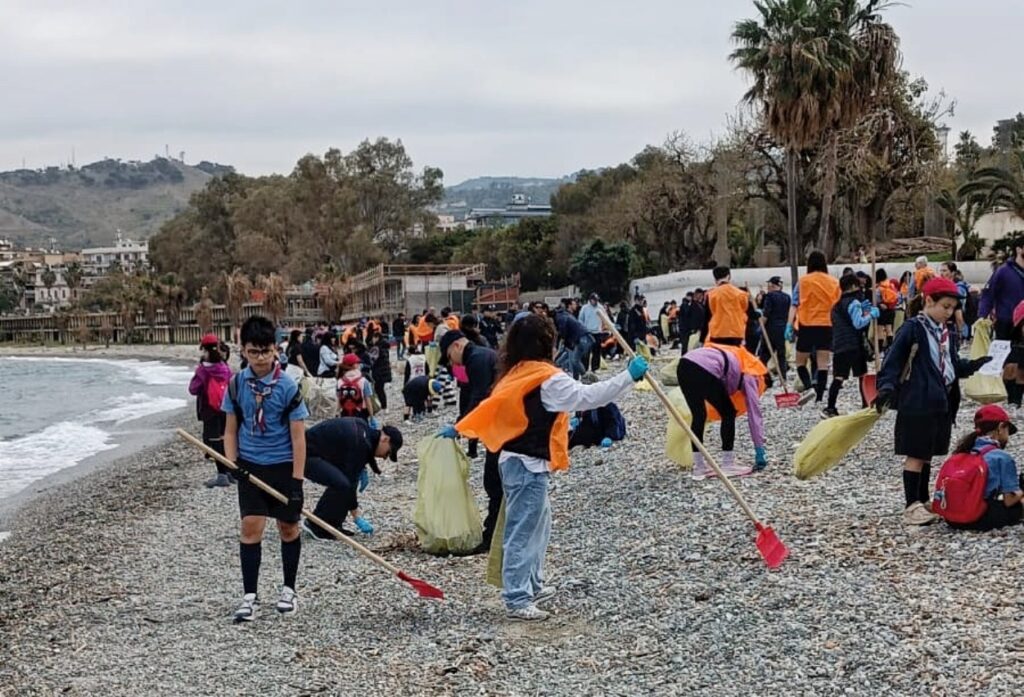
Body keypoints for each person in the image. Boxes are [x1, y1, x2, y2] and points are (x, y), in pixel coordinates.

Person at [452, 313, 648, 621]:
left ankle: (532, 584)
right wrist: (628, 376)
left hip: (515, 461)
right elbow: (587, 397)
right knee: (523, 529)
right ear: (547, 343)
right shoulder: (545, 378)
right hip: (526, 464)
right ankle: (517, 598)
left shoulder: (516, 372)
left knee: (538, 525)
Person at [874, 278, 992, 526]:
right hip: (918, 400)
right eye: (945, 306)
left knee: (927, 454)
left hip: (941, 400)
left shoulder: (945, 333)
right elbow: (892, 362)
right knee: (915, 453)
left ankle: (923, 499)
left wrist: (973, 365)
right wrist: (885, 387)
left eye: (952, 308)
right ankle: (911, 504)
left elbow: (951, 364)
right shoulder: (913, 328)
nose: (949, 312)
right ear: (929, 301)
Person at [221, 315, 309, 622]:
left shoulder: (287, 386)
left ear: (276, 350)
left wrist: (297, 483)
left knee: (288, 528)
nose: (259, 358)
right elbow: (230, 430)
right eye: (253, 351)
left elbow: (299, 438)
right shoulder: (235, 385)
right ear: (242, 350)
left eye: (265, 351)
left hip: (284, 467)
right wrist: (233, 463)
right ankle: (250, 596)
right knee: (251, 527)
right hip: (250, 467)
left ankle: (288, 589)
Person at [439, 328, 502, 552]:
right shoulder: (481, 356)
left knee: (494, 482)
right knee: (496, 481)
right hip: (501, 427)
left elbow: (479, 398)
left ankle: (493, 536)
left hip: (503, 429)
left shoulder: (477, 359)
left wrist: (459, 428)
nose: (452, 363)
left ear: (456, 345)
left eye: (448, 356)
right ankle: (498, 532)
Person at [301, 418, 403, 540]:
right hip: (303, 456)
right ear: (385, 439)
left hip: (321, 454)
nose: (385, 457)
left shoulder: (363, 430)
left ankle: (332, 525)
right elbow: (349, 483)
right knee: (343, 485)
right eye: (388, 452)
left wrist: (365, 468)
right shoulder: (360, 441)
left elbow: (367, 454)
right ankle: (316, 525)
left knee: (348, 482)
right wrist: (357, 517)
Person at [677, 344, 767, 479]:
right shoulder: (751, 376)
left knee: (699, 415)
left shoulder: (740, 359)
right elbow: (754, 413)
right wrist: (759, 449)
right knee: (729, 412)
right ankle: (728, 464)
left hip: (684, 364)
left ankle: (699, 467)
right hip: (704, 368)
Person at [943, 405, 1023, 531]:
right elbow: (1009, 500)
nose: (1008, 437)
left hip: (951, 518)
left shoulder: (963, 451)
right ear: (1001, 427)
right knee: (1017, 506)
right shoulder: (1002, 457)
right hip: (977, 518)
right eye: (1008, 431)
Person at [787, 250, 841, 403]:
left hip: (807, 325)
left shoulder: (803, 281)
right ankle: (819, 397)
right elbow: (838, 305)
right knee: (823, 363)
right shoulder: (833, 282)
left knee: (800, 362)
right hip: (827, 325)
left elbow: (794, 304)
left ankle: (809, 386)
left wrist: (789, 325)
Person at [823, 274, 878, 418]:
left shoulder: (836, 306)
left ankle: (830, 407)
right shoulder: (853, 302)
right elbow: (858, 323)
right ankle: (866, 403)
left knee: (839, 377)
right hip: (854, 344)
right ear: (853, 286)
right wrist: (871, 315)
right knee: (862, 375)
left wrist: (864, 311)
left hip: (839, 345)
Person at [979, 241, 1024, 407]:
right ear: (1019, 249)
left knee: (1023, 365)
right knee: (1010, 362)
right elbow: (988, 294)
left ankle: (1017, 399)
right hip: (1006, 321)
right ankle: (1010, 398)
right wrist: (982, 315)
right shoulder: (1004, 271)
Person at [188, 334, 234, 488]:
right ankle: (229, 471)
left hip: (210, 409)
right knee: (224, 438)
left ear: (204, 349)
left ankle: (221, 475)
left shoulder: (204, 369)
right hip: (226, 408)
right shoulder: (224, 367)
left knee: (212, 441)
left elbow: (193, 389)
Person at [705, 266, 753, 346]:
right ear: (729, 276)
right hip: (736, 331)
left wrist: (702, 337)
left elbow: (708, 315)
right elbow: (747, 311)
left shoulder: (711, 294)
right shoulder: (741, 294)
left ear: (715, 278)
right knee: (733, 356)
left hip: (717, 332)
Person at [758, 277, 791, 381]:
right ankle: (783, 377)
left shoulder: (770, 296)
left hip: (770, 329)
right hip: (782, 328)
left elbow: (766, 313)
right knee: (781, 354)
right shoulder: (787, 297)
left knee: (764, 354)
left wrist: (761, 325)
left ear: (772, 285)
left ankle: (763, 376)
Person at [553, 300, 592, 380]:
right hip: (582, 338)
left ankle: (585, 377)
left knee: (574, 360)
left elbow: (563, 331)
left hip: (581, 338)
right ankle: (575, 378)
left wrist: (563, 339)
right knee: (570, 359)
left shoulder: (560, 317)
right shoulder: (564, 315)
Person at [336, 353, 375, 420]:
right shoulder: (363, 381)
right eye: (357, 363)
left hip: (345, 413)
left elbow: (338, 399)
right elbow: (368, 401)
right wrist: (372, 416)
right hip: (361, 413)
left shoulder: (339, 381)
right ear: (354, 365)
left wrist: (337, 413)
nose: (359, 364)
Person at [578, 293, 605, 373]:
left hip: (598, 332)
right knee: (586, 352)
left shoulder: (600, 307)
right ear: (590, 300)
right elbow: (580, 319)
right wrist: (583, 329)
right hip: (588, 332)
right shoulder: (585, 308)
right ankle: (584, 369)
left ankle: (595, 368)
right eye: (594, 300)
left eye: (596, 300)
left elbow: (605, 318)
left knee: (597, 351)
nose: (595, 302)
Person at [875, 269, 898, 350]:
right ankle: (890, 347)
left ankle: (880, 350)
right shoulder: (891, 285)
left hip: (882, 310)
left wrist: (879, 304)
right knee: (889, 329)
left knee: (880, 330)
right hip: (891, 310)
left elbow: (877, 300)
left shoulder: (879, 288)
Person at [368, 331, 392, 412]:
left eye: (373, 338)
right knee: (380, 389)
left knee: (378, 389)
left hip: (378, 371)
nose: (372, 340)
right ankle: (384, 406)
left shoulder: (376, 348)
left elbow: (372, 360)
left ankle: (383, 406)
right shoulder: (385, 347)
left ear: (377, 337)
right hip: (385, 370)